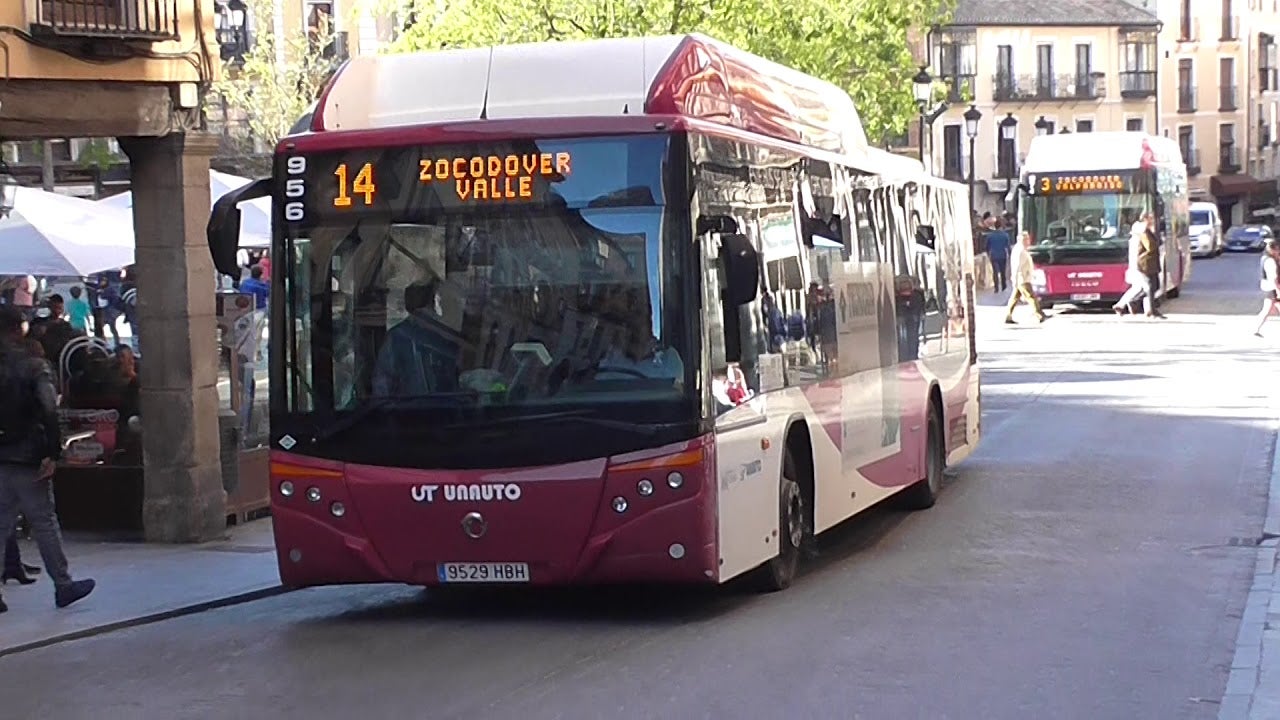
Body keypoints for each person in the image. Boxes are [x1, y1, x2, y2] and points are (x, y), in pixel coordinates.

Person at [0, 305, 95, 613]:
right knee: (43, 521)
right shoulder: (33, 365)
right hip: (27, 452)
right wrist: (53, 451)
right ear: (19, 329)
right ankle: (63, 583)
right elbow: (48, 409)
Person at [1004, 231, 1047, 325]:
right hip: (1022, 278)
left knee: (1015, 298)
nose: (1028, 241)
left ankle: (1008, 315)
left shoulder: (1021, 249)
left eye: (1028, 238)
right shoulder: (1020, 251)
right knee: (1031, 297)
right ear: (1020, 240)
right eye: (1026, 239)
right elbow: (1017, 266)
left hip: (1022, 278)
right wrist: (1014, 279)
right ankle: (1039, 314)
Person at [1254, 239, 1280, 337]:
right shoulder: (1270, 261)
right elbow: (1273, 277)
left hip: (1268, 287)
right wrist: (1278, 290)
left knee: (1266, 310)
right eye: (1277, 249)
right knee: (1267, 310)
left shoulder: (1265, 258)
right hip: (1273, 288)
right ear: (1273, 249)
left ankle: (1256, 329)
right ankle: (1255, 329)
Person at [985, 219, 1012, 293]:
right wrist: (1010, 255)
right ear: (1001, 226)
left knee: (995, 272)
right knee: (1003, 271)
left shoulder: (990, 235)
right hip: (1002, 255)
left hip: (993, 255)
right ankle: (1004, 286)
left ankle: (996, 287)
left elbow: (987, 247)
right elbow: (1008, 246)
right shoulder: (1005, 235)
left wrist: (988, 254)